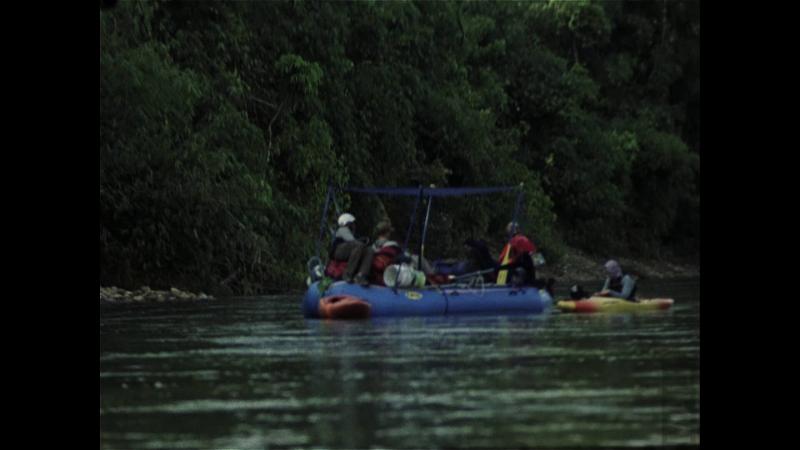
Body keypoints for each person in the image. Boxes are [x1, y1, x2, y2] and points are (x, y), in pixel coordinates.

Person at [328, 213, 374, 286]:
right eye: (352, 223)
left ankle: (361, 275)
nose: (353, 225)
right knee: (359, 245)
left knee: (369, 250)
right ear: (347, 223)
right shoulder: (342, 229)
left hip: (349, 249)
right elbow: (352, 241)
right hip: (338, 251)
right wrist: (362, 242)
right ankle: (347, 274)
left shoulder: (352, 232)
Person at [369, 220, 403, 286]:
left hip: (374, 278)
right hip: (389, 278)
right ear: (387, 233)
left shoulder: (371, 248)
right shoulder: (394, 246)